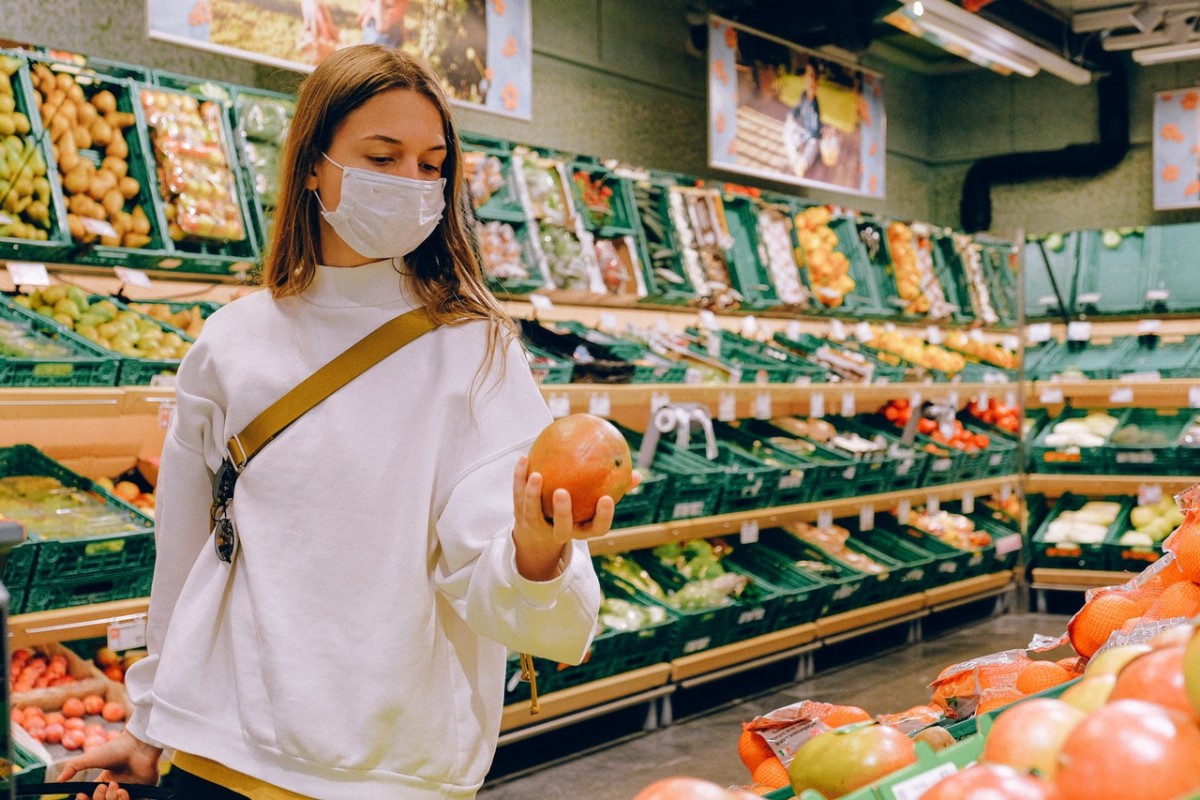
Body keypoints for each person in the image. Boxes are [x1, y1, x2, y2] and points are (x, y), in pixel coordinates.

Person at [58, 44, 630, 800]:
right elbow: (188, 553)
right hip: (215, 750)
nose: (412, 184)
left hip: (381, 772)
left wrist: (534, 554)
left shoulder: (476, 352)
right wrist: (149, 723)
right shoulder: (232, 342)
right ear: (312, 166)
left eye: (432, 165)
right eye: (382, 157)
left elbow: (544, 620)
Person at [783, 61, 822, 179]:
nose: (808, 80)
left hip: (811, 136)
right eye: (807, 75)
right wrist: (791, 116)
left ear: (816, 82)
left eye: (811, 77)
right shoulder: (803, 95)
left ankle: (802, 164)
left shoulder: (815, 103)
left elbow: (815, 130)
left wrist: (805, 138)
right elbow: (797, 109)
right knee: (787, 131)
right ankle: (795, 159)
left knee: (813, 145)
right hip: (803, 133)